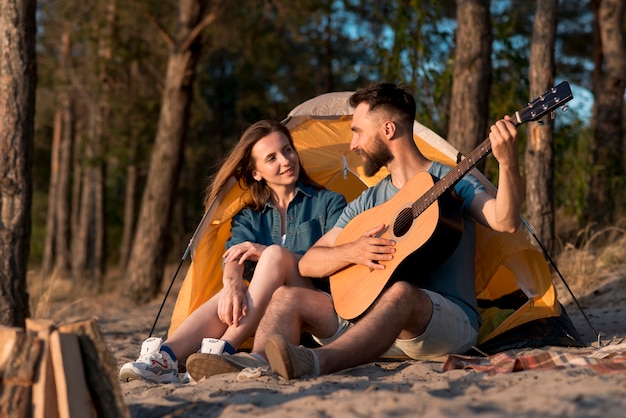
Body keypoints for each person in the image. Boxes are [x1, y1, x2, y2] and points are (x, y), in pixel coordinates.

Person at [185, 82, 523, 381]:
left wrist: (507, 163)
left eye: (358, 131)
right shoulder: (370, 199)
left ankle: (317, 361)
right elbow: (308, 262)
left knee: (402, 292)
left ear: (388, 130)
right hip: (371, 326)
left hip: (442, 325)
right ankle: (256, 364)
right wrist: (353, 251)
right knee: (286, 297)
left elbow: (504, 220)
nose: (353, 144)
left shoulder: (451, 180)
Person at [118, 119, 346, 384]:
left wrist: (266, 253)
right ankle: (164, 357)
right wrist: (231, 285)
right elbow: (233, 256)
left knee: (274, 255)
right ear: (257, 173)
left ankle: (224, 349)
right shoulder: (250, 215)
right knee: (231, 295)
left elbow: (336, 260)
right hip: (269, 319)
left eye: (287, 150)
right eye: (271, 158)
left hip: (315, 308)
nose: (285, 161)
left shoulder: (329, 202)